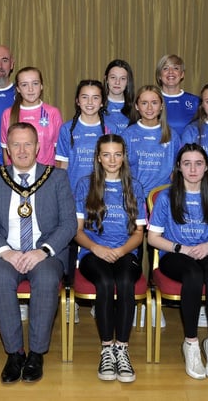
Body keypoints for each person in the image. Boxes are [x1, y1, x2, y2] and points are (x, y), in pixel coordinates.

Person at [0, 122, 76, 384]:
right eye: (15, 144)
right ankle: (14, 354)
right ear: (7, 149)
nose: (22, 150)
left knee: (45, 280)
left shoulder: (56, 177)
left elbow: (69, 223)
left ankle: (36, 353)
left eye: (28, 144)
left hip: (45, 252)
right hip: (7, 251)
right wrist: (5, 252)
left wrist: (42, 251)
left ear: (38, 147)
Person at [147, 143, 208, 380]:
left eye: (198, 163)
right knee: (193, 276)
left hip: (206, 249)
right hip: (174, 253)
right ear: (179, 168)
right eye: (187, 163)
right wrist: (180, 248)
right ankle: (191, 343)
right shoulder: (166, 197)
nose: (193, 169)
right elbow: (153, 238)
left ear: (206, 168)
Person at [74, 134, 145, 382]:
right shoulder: (85, 185)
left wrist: (122, 251)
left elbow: (139, 233)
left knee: (125, 282)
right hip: (93, 253)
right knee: (104, 283)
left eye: (117, 154)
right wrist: (96, 249)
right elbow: (77, 230)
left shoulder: (135, 186)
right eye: (106, 154)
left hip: (126, 251)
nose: (112, 159)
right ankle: (107, 348)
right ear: (98, 158)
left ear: (124, 156)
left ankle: (122, 349)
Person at [56, 80, 116, 193]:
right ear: (77, 101)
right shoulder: (66, 129)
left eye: (95, 98)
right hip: (73, 192)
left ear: (102, 102)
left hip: (104, 193)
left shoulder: (112, 129)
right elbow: (62, 165)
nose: (90, 102)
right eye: (85, 97)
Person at [122, 85, 180, 198]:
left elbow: (177, 171)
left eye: (154, 103)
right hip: (135, 198)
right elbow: (122, 170)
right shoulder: (127, 135)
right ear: (137, 106)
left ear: (161, 105)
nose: (149, 108)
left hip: (164, 198)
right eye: (144, 103)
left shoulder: (172, 136)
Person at [0, 67, 63, 166]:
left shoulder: (53, 113)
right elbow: (5, 150)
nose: (30, 89)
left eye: (35, 83)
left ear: (41, 86)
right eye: (24, 85)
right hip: (17, 176)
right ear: (18, 89)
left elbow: (59, 153)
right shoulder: (8, 114)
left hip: (47, 176)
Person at [155, 54, 200, 136]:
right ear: (159, 75)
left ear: (182, 74)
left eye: (176, 68)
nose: (171, 72)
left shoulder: (196, 101)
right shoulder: (151, 101)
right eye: (165, 68)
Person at [103, 59, 135, 132]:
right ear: (106, 79)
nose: (117, 82)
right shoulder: (97, 105)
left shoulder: (136, 107)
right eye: (113, 77)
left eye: (123, 78)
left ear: (128, 82)